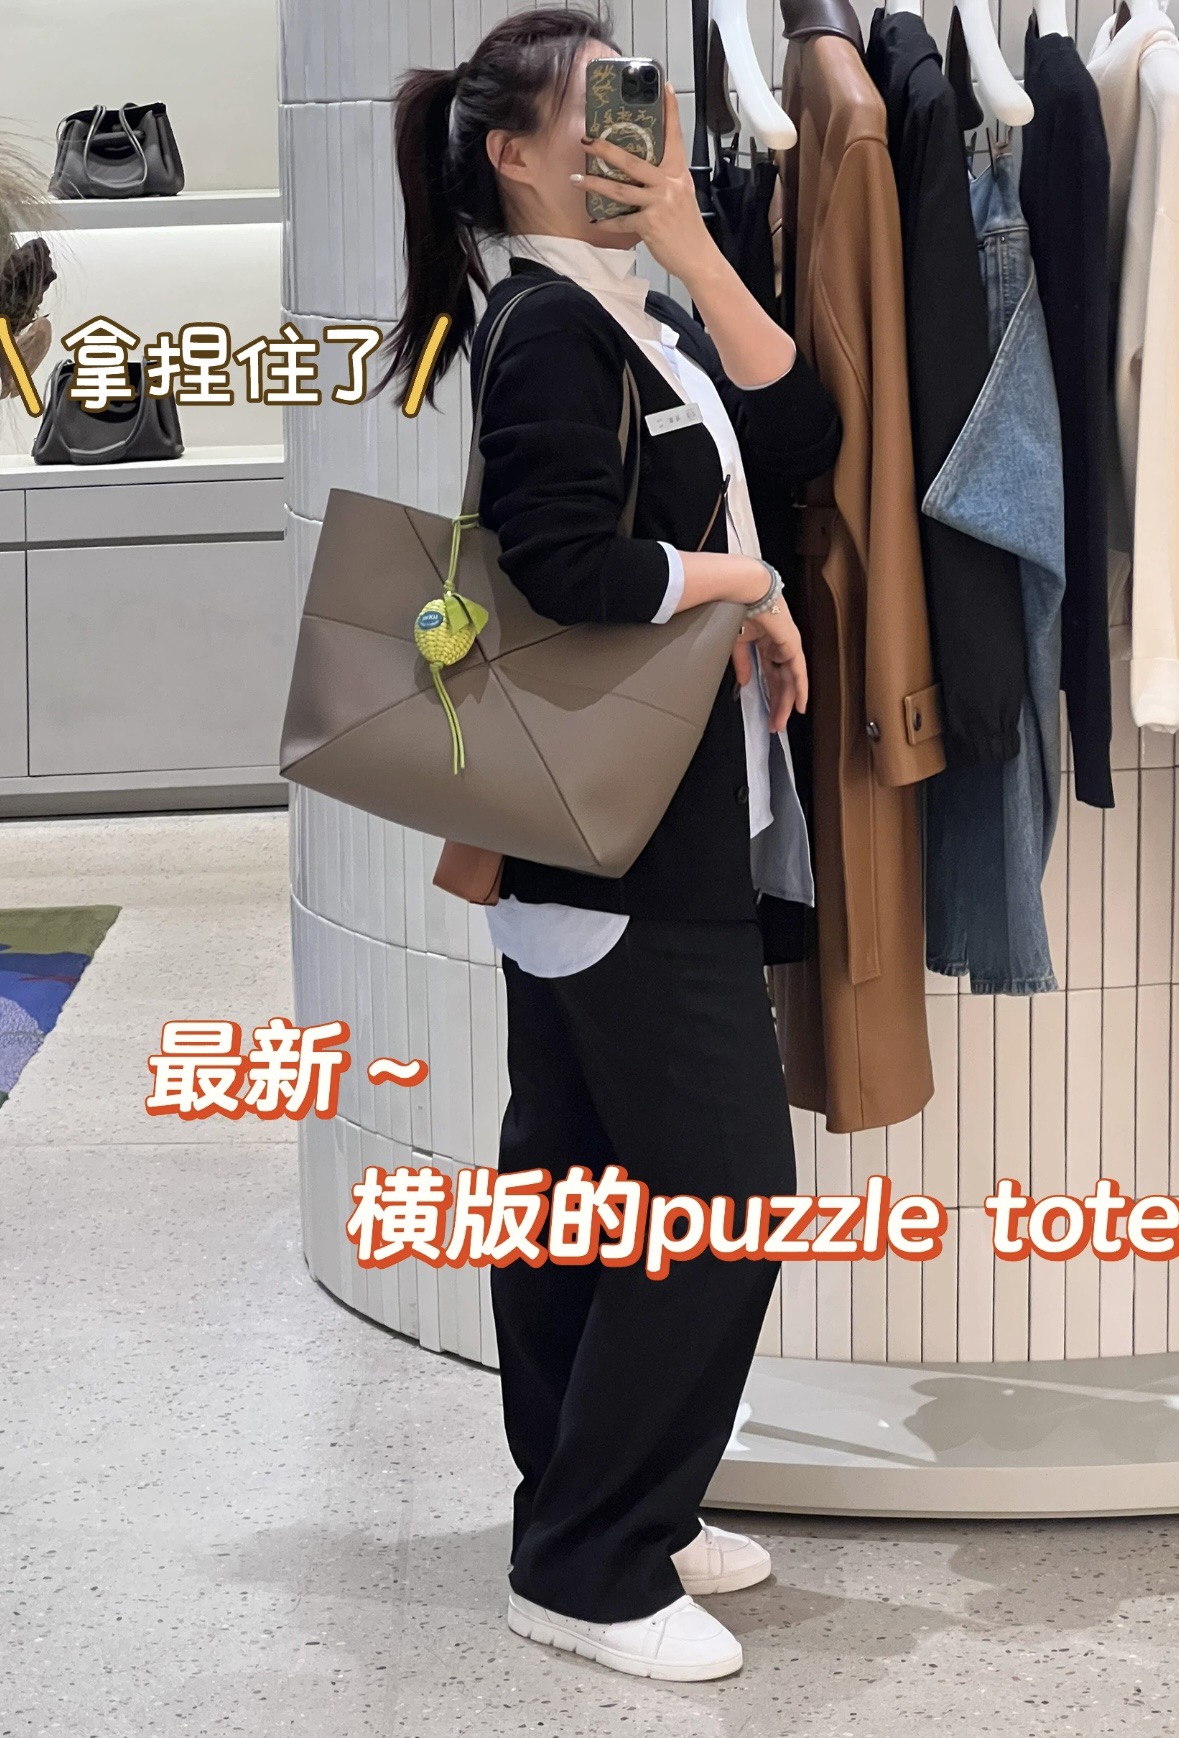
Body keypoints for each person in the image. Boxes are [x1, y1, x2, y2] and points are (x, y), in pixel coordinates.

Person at [384, 5, 840, 1683]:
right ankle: (588, 1557)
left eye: (642, 96)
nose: (638, 124)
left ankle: (608, 1503)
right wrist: (746, 582)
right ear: (516, 155)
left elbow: (803, 439)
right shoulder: (545, 335)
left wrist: (696, 247)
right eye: (604, 105)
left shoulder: (631, 313)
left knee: (586, 1184)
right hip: (612, 842)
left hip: (644, 823)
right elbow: (566, 569)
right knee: (721, 1194)